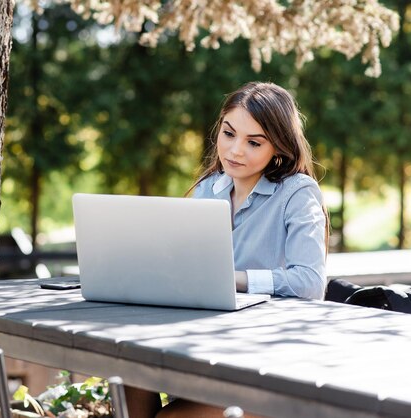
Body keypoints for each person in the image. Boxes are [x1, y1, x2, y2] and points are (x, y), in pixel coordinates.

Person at [125, 81, 329, 418]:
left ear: (278, 147)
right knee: (128, 371)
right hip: (209, 344)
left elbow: (309, 283)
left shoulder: (298, 192)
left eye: (254, 142)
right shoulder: (209, 189)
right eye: (228, 134)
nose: (235, 151)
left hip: (267, 361)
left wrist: (233, 279)